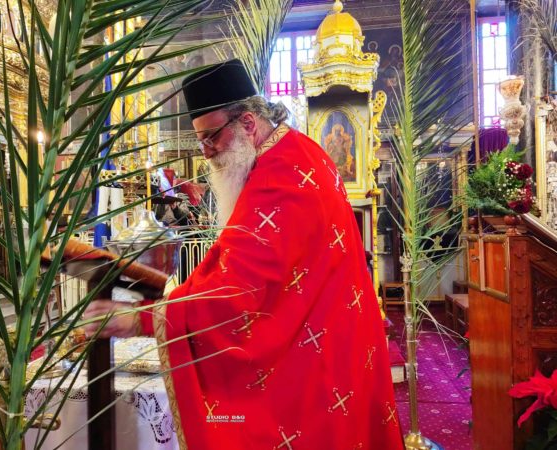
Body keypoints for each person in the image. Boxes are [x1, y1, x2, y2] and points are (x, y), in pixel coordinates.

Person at [85, 59, 404, 450]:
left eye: (211, 138)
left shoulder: (278, 180)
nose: (206, 153)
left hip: (317, 365)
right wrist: (178, 296)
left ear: (248, 123)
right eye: (201, 141)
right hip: (336, 342)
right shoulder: (298, 152)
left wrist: (142, 318)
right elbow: (234, 254)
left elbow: (238, 292)